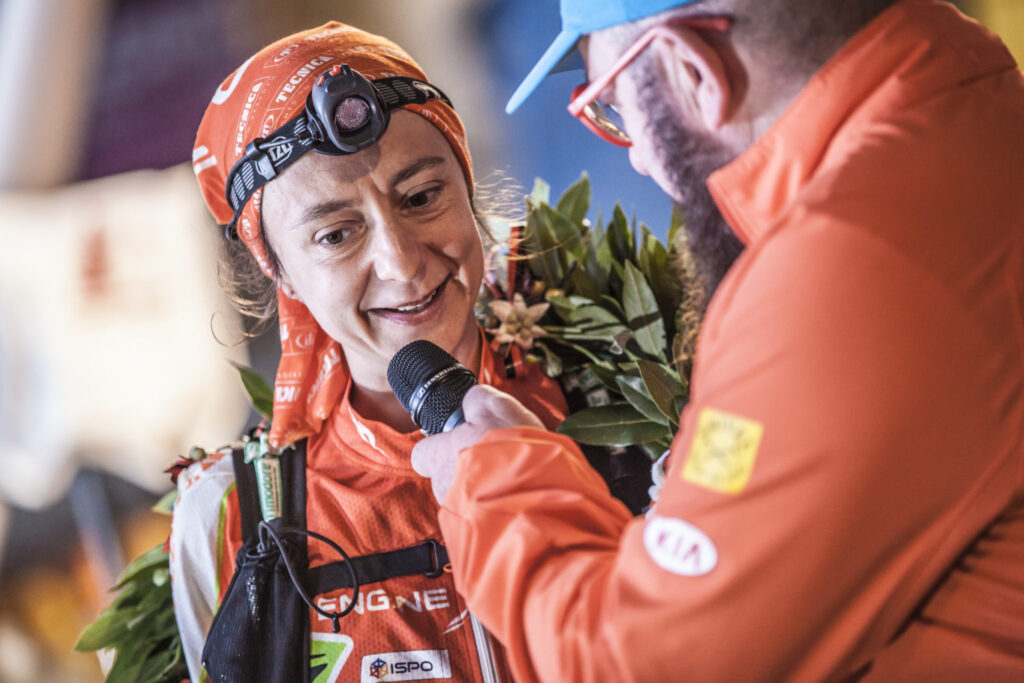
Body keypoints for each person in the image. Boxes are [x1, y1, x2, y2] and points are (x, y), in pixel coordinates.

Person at [411, 0, 1024, 679]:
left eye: (612, 106)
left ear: (692, 69)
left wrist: (491, 479)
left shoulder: (849, 261)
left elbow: (646, 663)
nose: (638, 157)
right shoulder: (980, 122)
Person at [170, 22, 570, 682]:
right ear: (281, 272)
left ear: (468, 188)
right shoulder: (232, 516)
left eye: (422, 196)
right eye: (336, 234)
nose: (402, 262)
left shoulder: (630, 394)